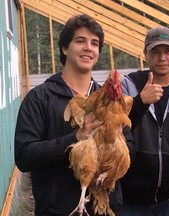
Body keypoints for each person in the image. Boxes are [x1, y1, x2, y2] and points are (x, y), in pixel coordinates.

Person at [14, 14, 134, 216]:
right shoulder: (40, 98)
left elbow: (131, 147)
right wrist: (76, 137)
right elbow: (25, 156)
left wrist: (113, 142)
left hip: (104, 209)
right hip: (58, 211)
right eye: (80, 41)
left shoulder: (111, 102)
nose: (88, 47)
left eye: (94, 43)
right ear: (64, 48)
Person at [120, 26, 169, 215]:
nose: (162, 57)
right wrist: (140, 102)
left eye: (168, 51)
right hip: (130, 200)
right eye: (155, 52)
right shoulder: (128, 88)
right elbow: (115, 132)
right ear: (145, 54)